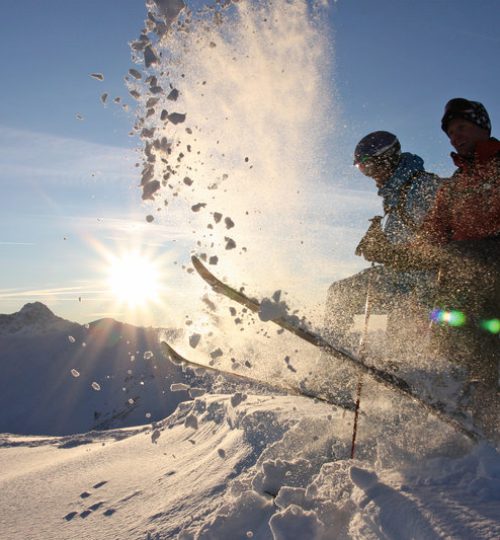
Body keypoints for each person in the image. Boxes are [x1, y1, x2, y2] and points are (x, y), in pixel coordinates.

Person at [324, 131, 442, 356]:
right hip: (403, 280)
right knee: (341, 293)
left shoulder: (423, 187)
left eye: (369, 167)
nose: (368, 175)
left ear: (387, 159)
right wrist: (380, 246)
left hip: (424, 285)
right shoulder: (397, 197)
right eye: (361, 169)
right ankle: (337, 363)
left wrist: (388, 252)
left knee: (347, 296)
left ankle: (416, 374)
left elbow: (434, 246)